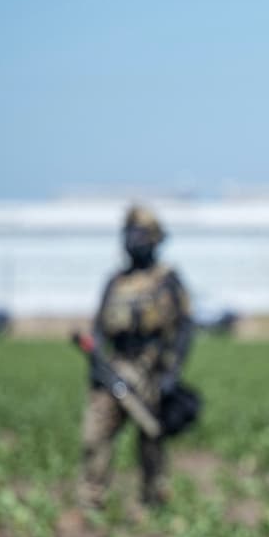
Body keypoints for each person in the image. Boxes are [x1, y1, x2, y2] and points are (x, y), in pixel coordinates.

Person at [79, 204, 193, 509]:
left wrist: (172, 373)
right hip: (114, 369)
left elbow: (183, 328)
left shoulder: (167, 280)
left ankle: (153, 500)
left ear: (154, 239)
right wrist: (96, 361)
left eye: (139, 234)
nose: (132, 241)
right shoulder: (115, 282)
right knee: (95, 436)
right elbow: (99, 326)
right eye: (128, 234)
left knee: (151, 440)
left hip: (149, 371)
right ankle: (92, 499)